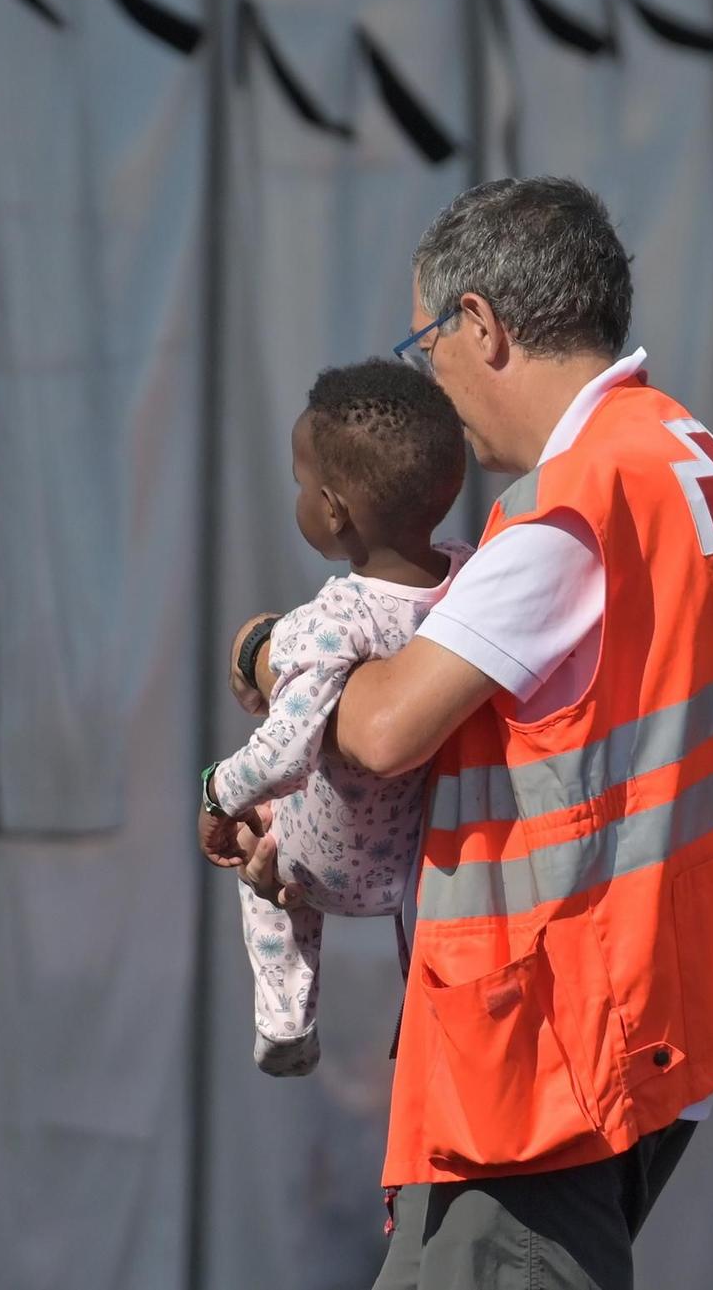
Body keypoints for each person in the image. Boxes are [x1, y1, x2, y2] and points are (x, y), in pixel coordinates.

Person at [280, 176, 713, 1289]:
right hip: (638, 1013)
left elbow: (378, 728)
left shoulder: (574, 504)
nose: (432, 386)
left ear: (479, 325)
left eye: (427, 345)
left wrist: (272, 650)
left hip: (534, 1045)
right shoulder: (704, 470)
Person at [197, 360, 469, 1077]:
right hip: (418, 861)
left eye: (299, 483)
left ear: (334, 508)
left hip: (327, 859)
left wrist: (218, 792)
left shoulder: (337, 616)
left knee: (262, 844)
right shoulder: (471, 580)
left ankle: (286, 1017)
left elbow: (284, 751)